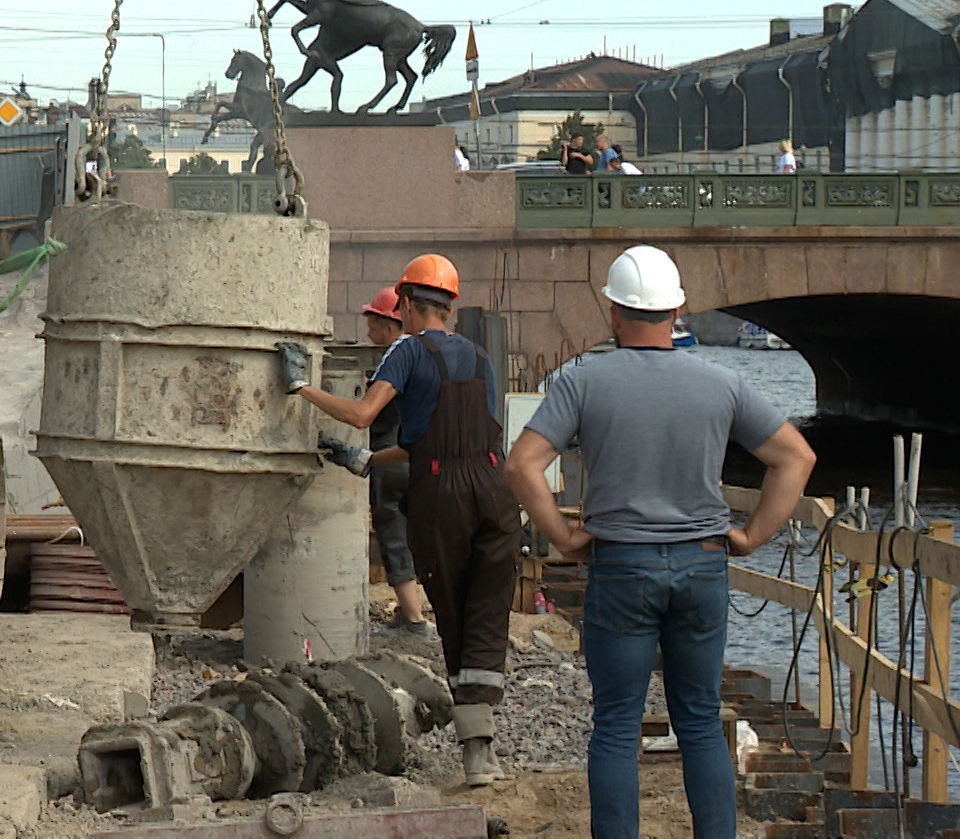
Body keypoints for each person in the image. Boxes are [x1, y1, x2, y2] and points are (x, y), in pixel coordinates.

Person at [503, 245, 816, 839]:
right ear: (677, 311)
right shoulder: (722, 382)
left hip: (621, 566)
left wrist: (565, 538)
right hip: (702, 566)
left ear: (614, 311)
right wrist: (750, 536)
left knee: (617, 724)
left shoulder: (583, 381)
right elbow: (797, 458)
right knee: (698, 721)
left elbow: (522, 465)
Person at [284, 255, 517, 788]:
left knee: (454, 609)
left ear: (408, 305)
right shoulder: (480, 356)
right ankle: (484, 743)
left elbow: (365, 415)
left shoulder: (407, 349)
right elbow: (441, 442)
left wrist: (303, 389)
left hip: (443, 498)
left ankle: (477, 753)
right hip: (494, 489)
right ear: (450, 306)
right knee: (487, 610)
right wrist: (369, 460)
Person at [358, 286, 430, 633]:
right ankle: (422, 612)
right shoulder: (422, 356)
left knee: (393, 535)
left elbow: (365, 415)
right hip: (416, 460)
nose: (368, 334)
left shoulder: (393, 362)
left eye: (373, 326)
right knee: (419, 536)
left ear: (390, 326)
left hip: (388, 459)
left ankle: (413, 617)